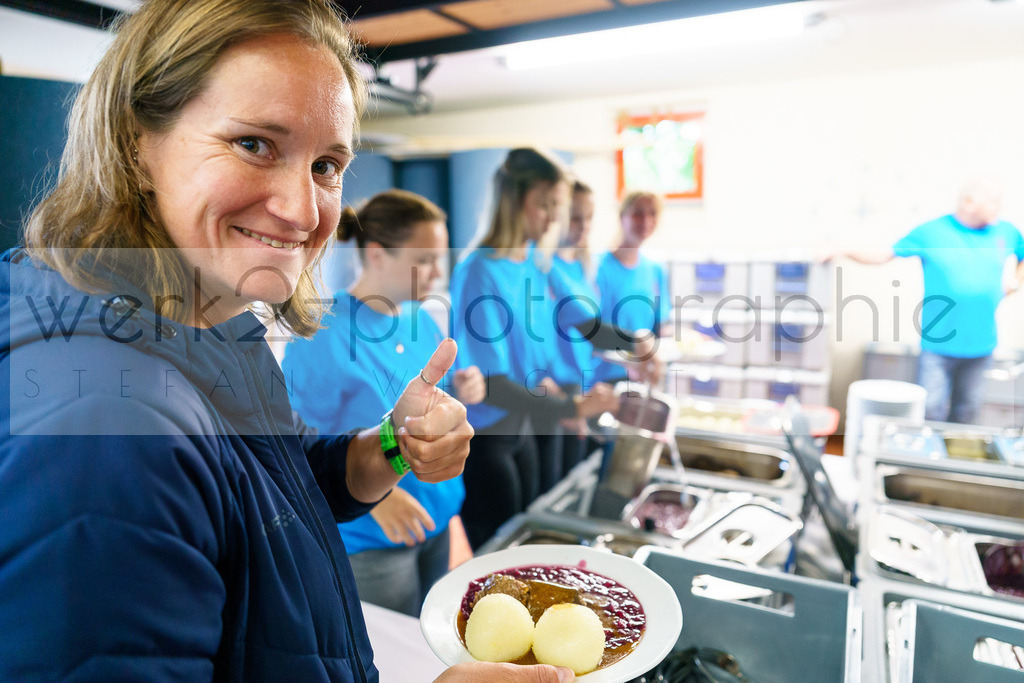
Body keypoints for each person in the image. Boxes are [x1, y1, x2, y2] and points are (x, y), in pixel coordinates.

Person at [0, 2, 572, 681]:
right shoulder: (108, 425)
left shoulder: (202, 322)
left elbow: (276, 477)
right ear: (135, 144)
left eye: (327, 164)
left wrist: (391, 443)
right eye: (253, 144)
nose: (304, 213)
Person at [282, 190, 485, 617]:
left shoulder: (421, 318)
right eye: (425, 258)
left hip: (437, 518)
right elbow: (297, 451)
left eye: (440, 258)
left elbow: (431, 403)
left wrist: (465, 386)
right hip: (374, 536)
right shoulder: (323, 333)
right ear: (376, 254)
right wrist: (379, 494)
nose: (437, 272)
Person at [449, 148, 660, 549]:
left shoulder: (535, 262)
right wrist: (573, 407)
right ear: (513, 201)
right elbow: (493, 384)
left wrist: (639, 343)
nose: (551, 219)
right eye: (544, 206)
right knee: (500, 545)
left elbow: (586, 326)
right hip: (490, 435)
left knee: (539, 531)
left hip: (527, 422)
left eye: (555, 208)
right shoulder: (478, 271)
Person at [839, 178, 1024, 423]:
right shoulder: (931, 232)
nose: (998, 207)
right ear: (968, 202)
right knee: (932, 409)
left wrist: (1014, 283)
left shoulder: (1006, 232)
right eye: (993, 201)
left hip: (982, 345)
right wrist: (841, 250)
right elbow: (883, 255)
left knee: (968, 410)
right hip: (938, 345)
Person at [550, 180, 602, 474]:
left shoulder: (583, 266)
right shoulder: (546, 269)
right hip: (557, 394)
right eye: (575, 217)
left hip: (582, 388)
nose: (583, 226)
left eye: (589, 218)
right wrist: (565, 405)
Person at [594, 190, 671, 383]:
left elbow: (660, 325)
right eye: (638, 213)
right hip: (603, 376)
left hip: (641, 374)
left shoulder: (655, 271)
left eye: (652, 213)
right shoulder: (598, 268)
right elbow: (589, 326)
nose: (645, 221)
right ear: (622, 217)